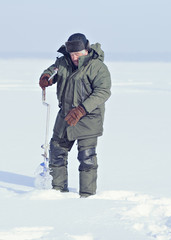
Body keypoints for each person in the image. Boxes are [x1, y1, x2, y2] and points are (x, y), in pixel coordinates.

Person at [39, 33, 111, 197]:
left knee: (87, 158)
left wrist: (82, 109)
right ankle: (57, 192)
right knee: (56, 152)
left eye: (77, 54)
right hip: (65, 116)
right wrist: (46, 77)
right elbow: (53, 70)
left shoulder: (97, 67)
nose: (74, 58)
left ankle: (87, 196)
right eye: (71, 54)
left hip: (89, 118)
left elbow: (103, 92)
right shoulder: (63, 62)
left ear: (86, 49)